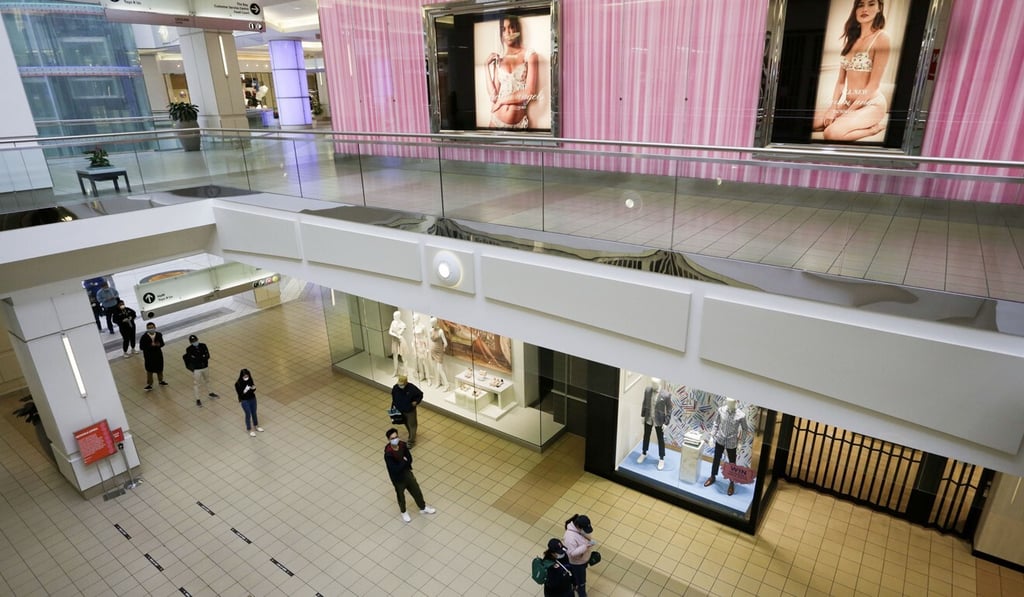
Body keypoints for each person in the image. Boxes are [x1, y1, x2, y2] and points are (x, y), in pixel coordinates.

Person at [812, 0, 891, 142]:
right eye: (860, 5)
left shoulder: (881, 38)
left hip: (871, 104)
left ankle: (873, 129)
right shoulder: (851, 39)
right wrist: (833, 107)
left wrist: (846, 113)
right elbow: (841, 82)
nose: (864, 9)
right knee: (811, 123)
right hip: (848, 102)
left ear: (879, 8)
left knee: (830, 134)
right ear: (855, 9)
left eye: (871, 4)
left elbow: (873, 85)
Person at [485, 14, 539, 129]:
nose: (508, 33)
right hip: (495, 121)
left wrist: (501, 102)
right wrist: (486, 67)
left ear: (516, 29)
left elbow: (529, 92)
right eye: (503, 29)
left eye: (511, 27)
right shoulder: (499, 59)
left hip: (519, 124)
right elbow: (494, 97)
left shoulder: (529, 55)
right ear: (501, 34)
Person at [383, 427, 436, 523]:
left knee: (416, 490)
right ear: (389, 440)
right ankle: (403, 512)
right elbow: (395, 469)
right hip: (398, 479)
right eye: (392, 438)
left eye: (396, 437)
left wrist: (403, 463)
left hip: (407, 474)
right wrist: (403, 461)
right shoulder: (388, 454)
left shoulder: (402, 445)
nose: (395, 439)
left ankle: (423, 507)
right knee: (401, 496)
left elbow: (410, 459)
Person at [703, 397, 751, 496]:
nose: (730, 403)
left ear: (735, 402)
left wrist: (741, 442)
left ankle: (731, 482)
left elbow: (745, 429)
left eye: (732, 402)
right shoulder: (721, 410)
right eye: (728, 402)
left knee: (732, 463)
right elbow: (716, 423)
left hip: (732, 442)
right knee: (716, 458)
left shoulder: (741, 415)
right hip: (720, 438)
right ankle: (712, 476)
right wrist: (712, 436)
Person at [637, 377, 672, 470]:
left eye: (655, 384)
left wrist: (666, 422)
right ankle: (644, 452)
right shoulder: (648, 390)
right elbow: (644, 403)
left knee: (660, 439)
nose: (653, 386)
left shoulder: (666, 395)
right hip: (648, 417)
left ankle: (661, 458)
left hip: (659, 419)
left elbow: (669, 409)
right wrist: (642, 415)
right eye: (652, 383)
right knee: (646, 436)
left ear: (659, 384)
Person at [563, 513, 596, 597]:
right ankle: (581, 593)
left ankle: (576, 584)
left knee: (578, 576)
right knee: (581, 582)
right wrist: (586, 546)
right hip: (577, 563)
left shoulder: (578, 530)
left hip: (583, 560)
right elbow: (572, 553)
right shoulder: (569, 537)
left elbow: (585, 537)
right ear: (578, 526)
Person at [183, 334, 217, 407]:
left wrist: (198, 358)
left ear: (197, 339)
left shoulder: (203, 345)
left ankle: (210, 393)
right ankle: (198, 399)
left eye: (195, 340)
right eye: (193, 341)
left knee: (207, 380)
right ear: (190, 342)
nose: (195, 342)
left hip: (205, 367)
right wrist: (202, 357)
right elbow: (192, 360)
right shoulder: (189, 349)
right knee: (197, 384)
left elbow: (208, 356)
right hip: (197, 369)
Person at [391, 374, 423, 447]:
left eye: (402, 384)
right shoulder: (395, 388)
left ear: (406, 383)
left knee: (412, 425)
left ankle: (411, 440)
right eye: (399, 384)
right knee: (405, 422)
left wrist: (416, 402)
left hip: (410, 410)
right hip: (400, 410)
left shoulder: (411, 388)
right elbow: (393, 397)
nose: (400, 385)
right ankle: (411, 434)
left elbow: (420, 394)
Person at [234, 369, 264, 437]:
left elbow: (253, 389)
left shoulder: (250, 380)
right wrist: (245, 390)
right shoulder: (237, 384)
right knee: (248, 414)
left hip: (252, 398)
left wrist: (253, 388)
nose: (246, 378)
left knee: (254, 412)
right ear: (242, 376)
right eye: (245, 376)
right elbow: (240, 394)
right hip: (244, 400)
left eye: (247, 376)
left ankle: (256, 425)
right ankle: (249, 429)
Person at [139, 322, 168, 391]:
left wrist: (159, 345)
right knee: (149, 370)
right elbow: (141, 347)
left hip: (158, 355)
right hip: (149, 356)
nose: (151, 329)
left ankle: (161, 381)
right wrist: (150, 346)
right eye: (149, 328)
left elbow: (162, 343)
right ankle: (150, 384)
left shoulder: (158, 335)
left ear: (155, 327)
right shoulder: (144, 337)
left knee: (160, 369)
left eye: (152, 327)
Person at [427, 317, 450, 391]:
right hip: (432, 350)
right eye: (431, 323)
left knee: (440, 369)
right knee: (435, 368)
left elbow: (445, 342)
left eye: (432, 323)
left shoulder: (440, 331)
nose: (431, 324)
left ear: (436, 322)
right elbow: (431, 340)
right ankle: (438, 382)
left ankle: (447, 384)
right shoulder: (431, 330)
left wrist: (443, 348)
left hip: (439, 351)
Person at [388, 310, 407, 376]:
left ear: (398, 316)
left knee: (403, 357)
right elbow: (390, 331)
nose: (393, 317)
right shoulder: (393, 322)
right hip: (394, 340)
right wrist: (395, 334)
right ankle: (395, 370)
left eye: (395, 316)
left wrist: (395, 333)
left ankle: (405, 372)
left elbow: (400, 333)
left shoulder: (403, 324)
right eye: (393, 316)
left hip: (400, 341)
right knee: (395, 356)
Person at [412, 314, 429, 383]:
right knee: (419, 362)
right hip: (416, 345)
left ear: (418, 319)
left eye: (414, 319)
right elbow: (413, 337)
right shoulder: (414, 326)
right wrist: (413, 345)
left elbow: (426, 336)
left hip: (422, 345)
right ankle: (422, 375)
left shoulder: (423, 327)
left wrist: (427, 347)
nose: (413, 320)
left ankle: (428, 378)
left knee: (425, 362)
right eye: (413, 319)